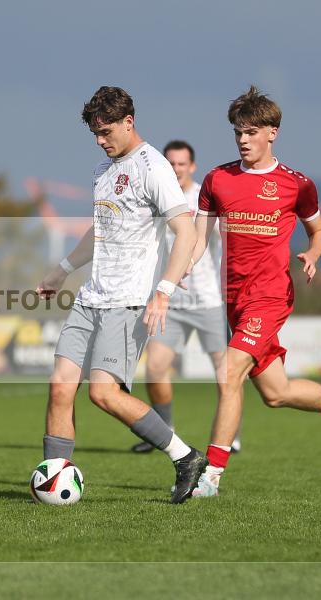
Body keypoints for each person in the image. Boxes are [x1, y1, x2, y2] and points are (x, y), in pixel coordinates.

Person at [189, 86, 321, 498]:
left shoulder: (296, 184)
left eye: (251, 131)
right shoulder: (217, 179)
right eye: (238, 131)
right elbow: (199, 235)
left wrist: (312, 253)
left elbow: (319, 230)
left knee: (229, 376)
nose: (243, 139)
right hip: (234, 301)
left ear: (272, 132)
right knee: (277, 393)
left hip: (271, 296)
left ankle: (210, 477)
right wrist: (183, 266)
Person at [37, 86, 207, 504]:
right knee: (60, 387)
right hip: (90, 296)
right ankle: (55, 481)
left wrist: (163, 291)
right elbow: (100, 232)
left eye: (107, 131)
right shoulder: (102, 170)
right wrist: (61, 271)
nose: (101, 140)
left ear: (128, 122)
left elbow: (184, 229)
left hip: (129, 300)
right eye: (95, 133)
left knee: (103, 394)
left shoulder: (154, 167)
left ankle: (185, 457)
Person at [130, 140, 240, 455]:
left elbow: (224, 239)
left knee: (226, 373)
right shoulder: (157, 196)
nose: (177, 169)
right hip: (171, 304)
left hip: (209, 301)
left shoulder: (203, 198)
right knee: (155, 369)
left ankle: (229, 436)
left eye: (182, 164)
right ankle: (164, 432)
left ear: (192, 166)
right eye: (172, 163)